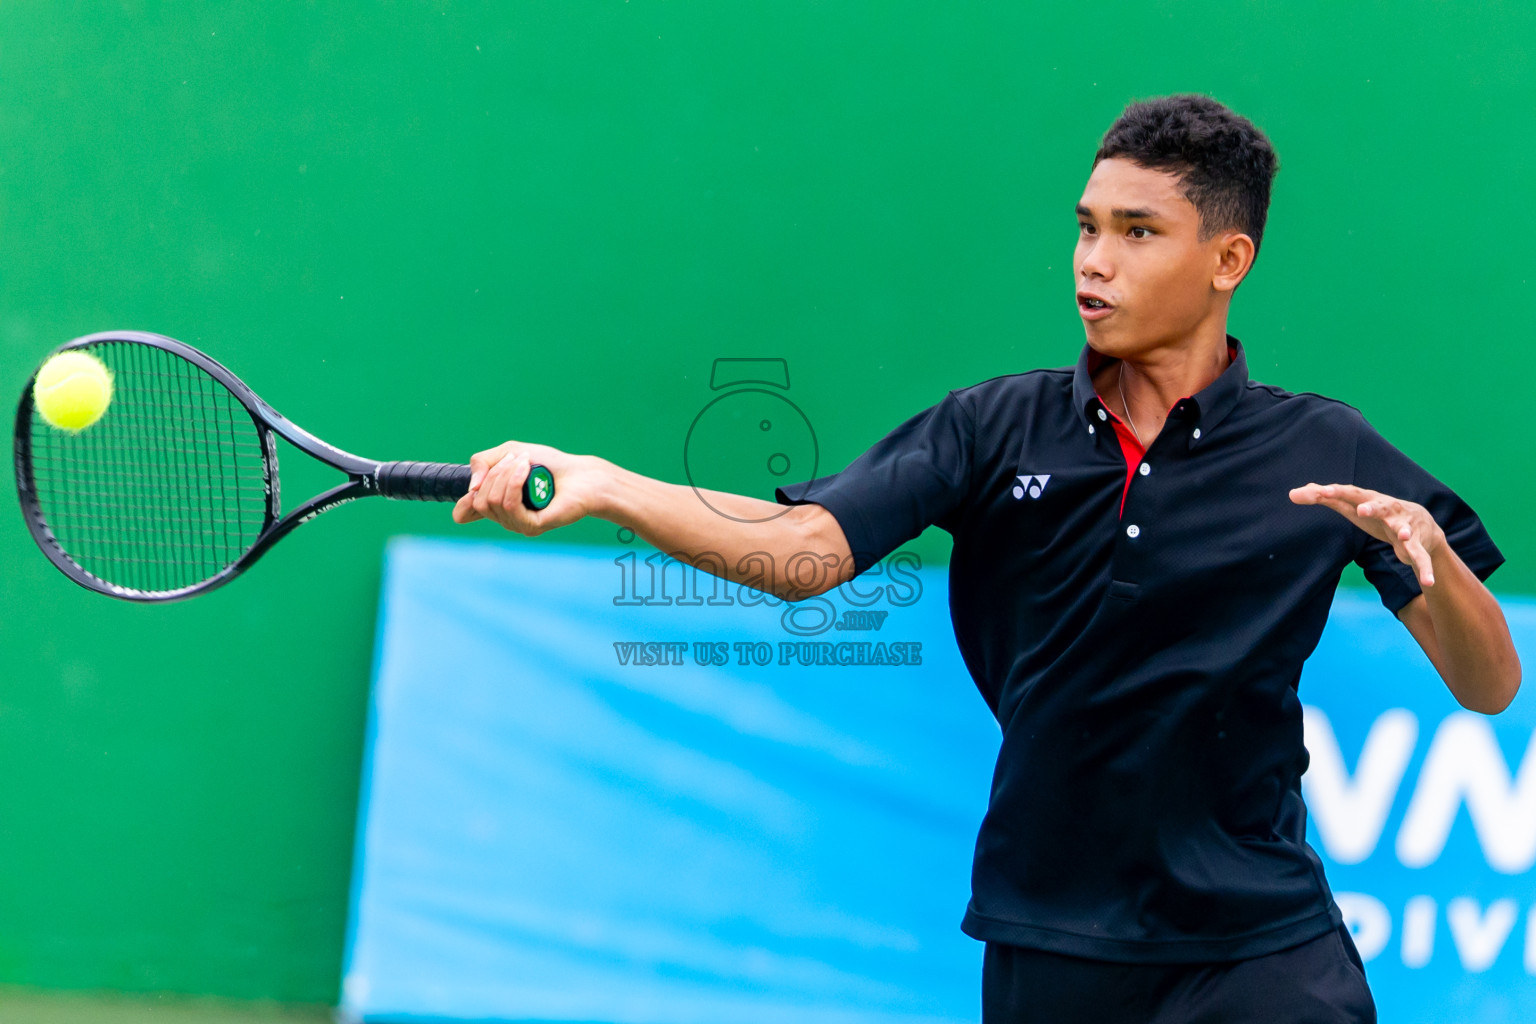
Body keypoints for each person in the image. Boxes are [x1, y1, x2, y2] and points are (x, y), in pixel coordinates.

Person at [450, 94, 1519, 1023]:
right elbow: (804, 554)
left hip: (1265, 951)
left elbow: (1488, 683)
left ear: (1228, 260)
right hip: (1052, 943)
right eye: (1087, 228)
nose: (1095, 262)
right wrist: (603, 483)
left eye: (1139, 232)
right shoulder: (990, 430)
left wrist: (1436, 564)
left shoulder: (1325, 450)